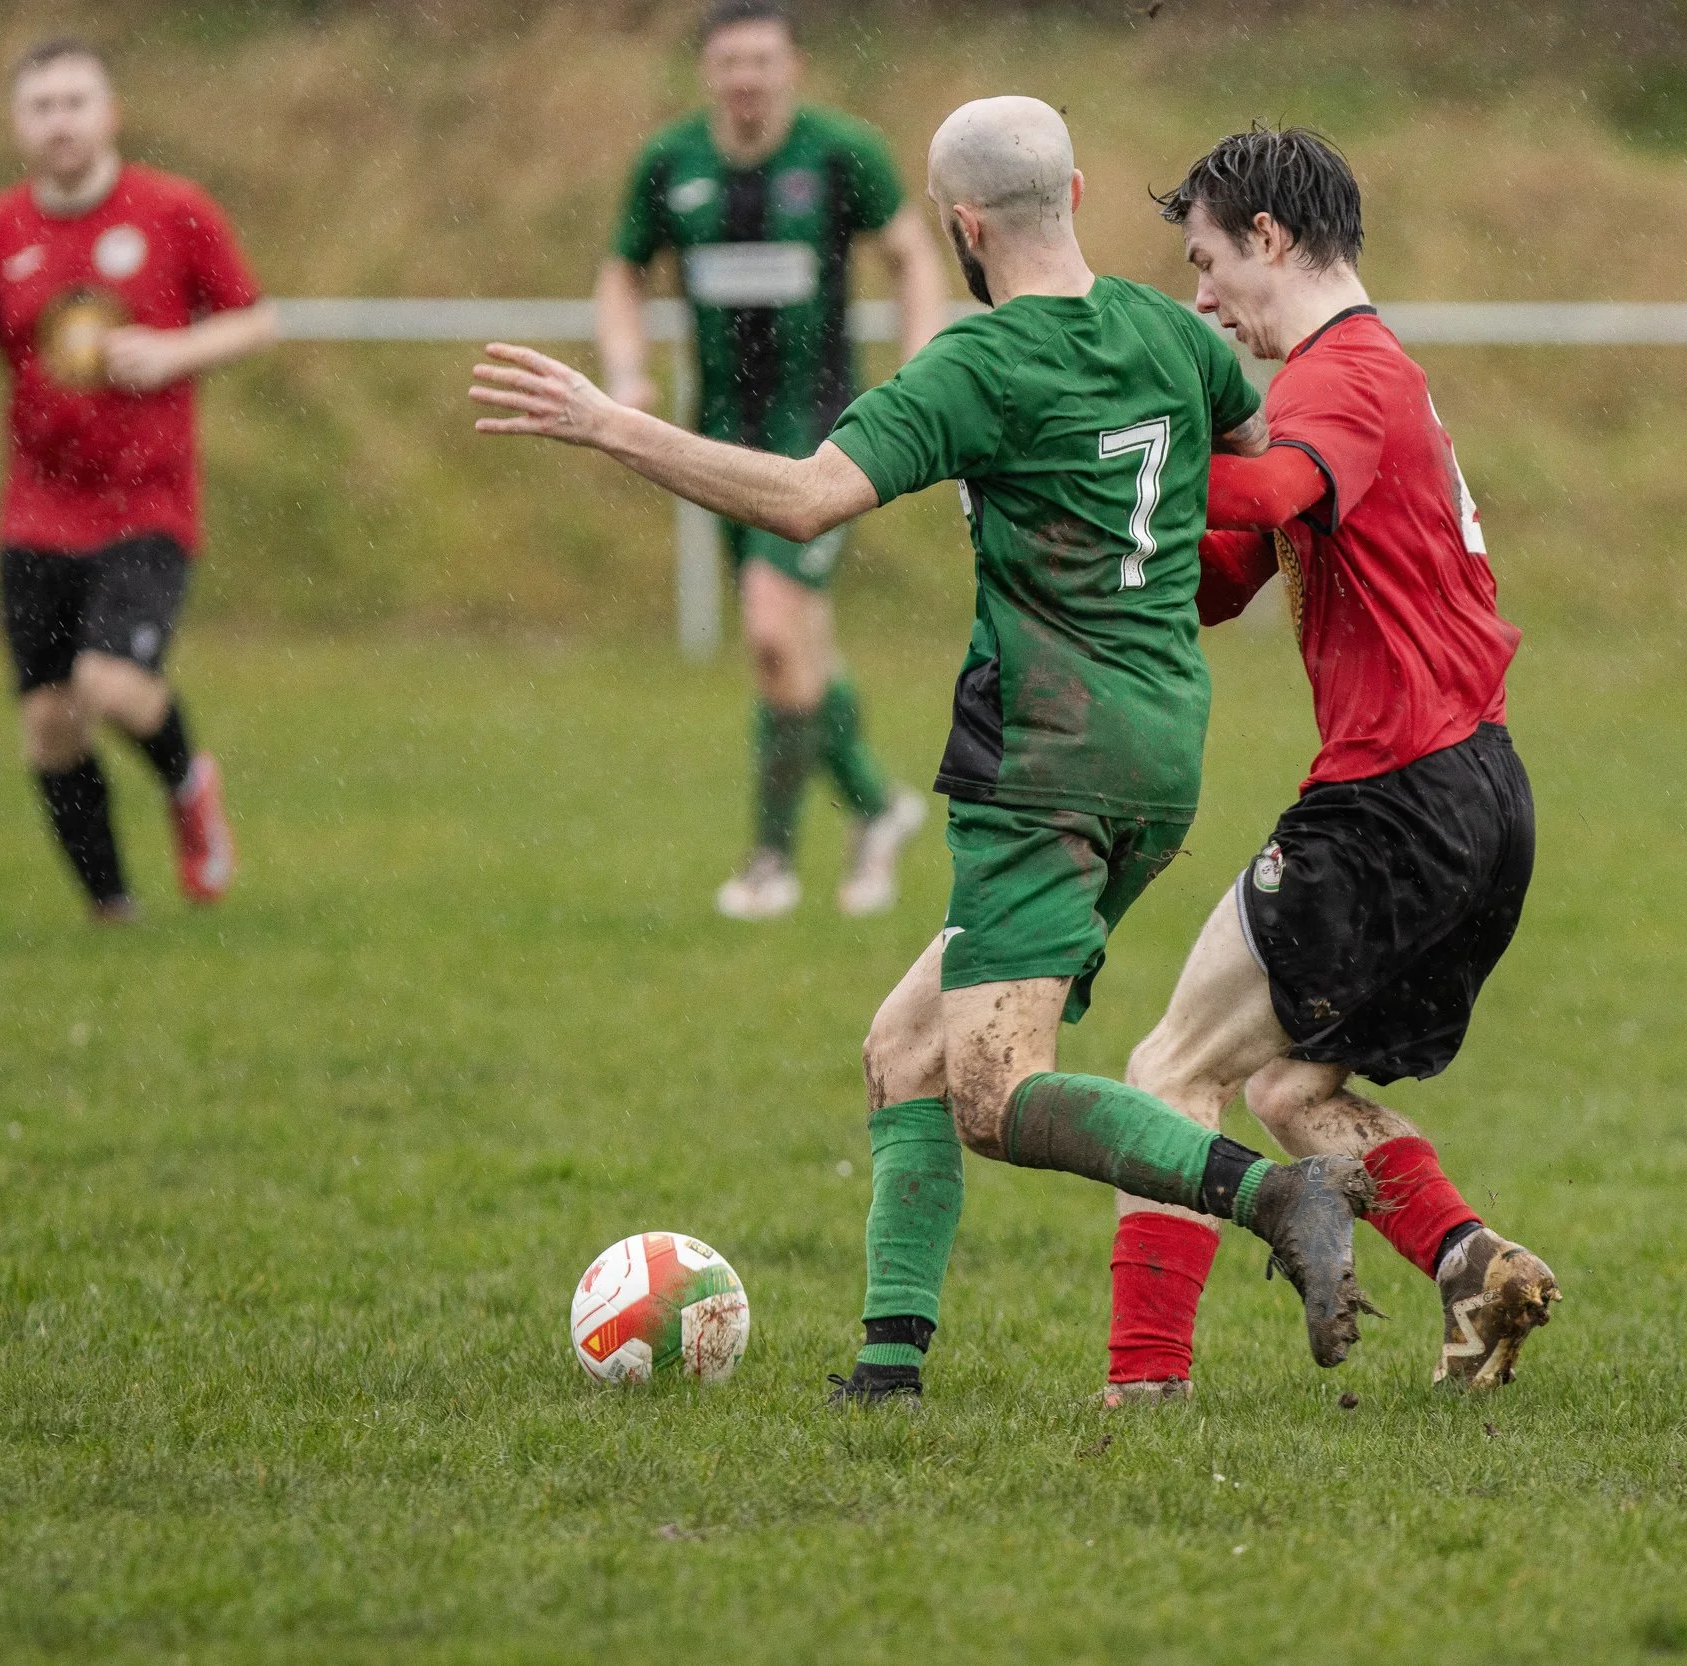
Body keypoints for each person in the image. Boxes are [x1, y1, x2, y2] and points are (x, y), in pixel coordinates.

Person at [473, 96, 1380, 1406]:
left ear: (960, 225)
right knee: (903, 1046)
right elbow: (1253, 456)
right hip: (1162, 744)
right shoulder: (1170, 332)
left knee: (994, 1091)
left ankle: (1273, 1193)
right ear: (1072, 191)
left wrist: (610, 423)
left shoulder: (976, 364)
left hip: (1043, 758)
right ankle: (886, 1373)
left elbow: (803, 499)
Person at [1097, 127, 1561, 1406]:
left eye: (1204, 261)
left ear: (1267, 238)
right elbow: (1219, 568)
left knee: (1170, 1075)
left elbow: (1269, 485)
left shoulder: (1341, 376)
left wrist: (1130, 443)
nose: (1198, 297)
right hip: (1477, 797)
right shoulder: (1349, 381)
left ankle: (1144, 1383)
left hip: (1394, 799)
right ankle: (1471, 1265)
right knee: (1291, 1089)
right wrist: (1086, 534)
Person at [0, 38, 275, 922]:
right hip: (36, 512)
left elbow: (257, 322)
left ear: (109, 114)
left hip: (147, 503)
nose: (60, 121)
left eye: (76, 102)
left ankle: (189, 785)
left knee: (109, 685)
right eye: (42, 106)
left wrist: (175, 350)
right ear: (17, 127)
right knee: (50, 721)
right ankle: (113, 909)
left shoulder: (173, 210)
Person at [597, 0, 946, 921]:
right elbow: (620, 270)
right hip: (713, 442)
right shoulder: (672, 165)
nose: (746, 78)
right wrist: (627, 369)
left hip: (824, 436)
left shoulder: (841, 155)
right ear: (708, 71)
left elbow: (911, 251)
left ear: (792, 66)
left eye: (762, 60)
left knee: (768, 631)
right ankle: (876, 808)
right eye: (729, 62)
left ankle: (769, 862)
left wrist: (922, 362)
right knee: (796, 653)